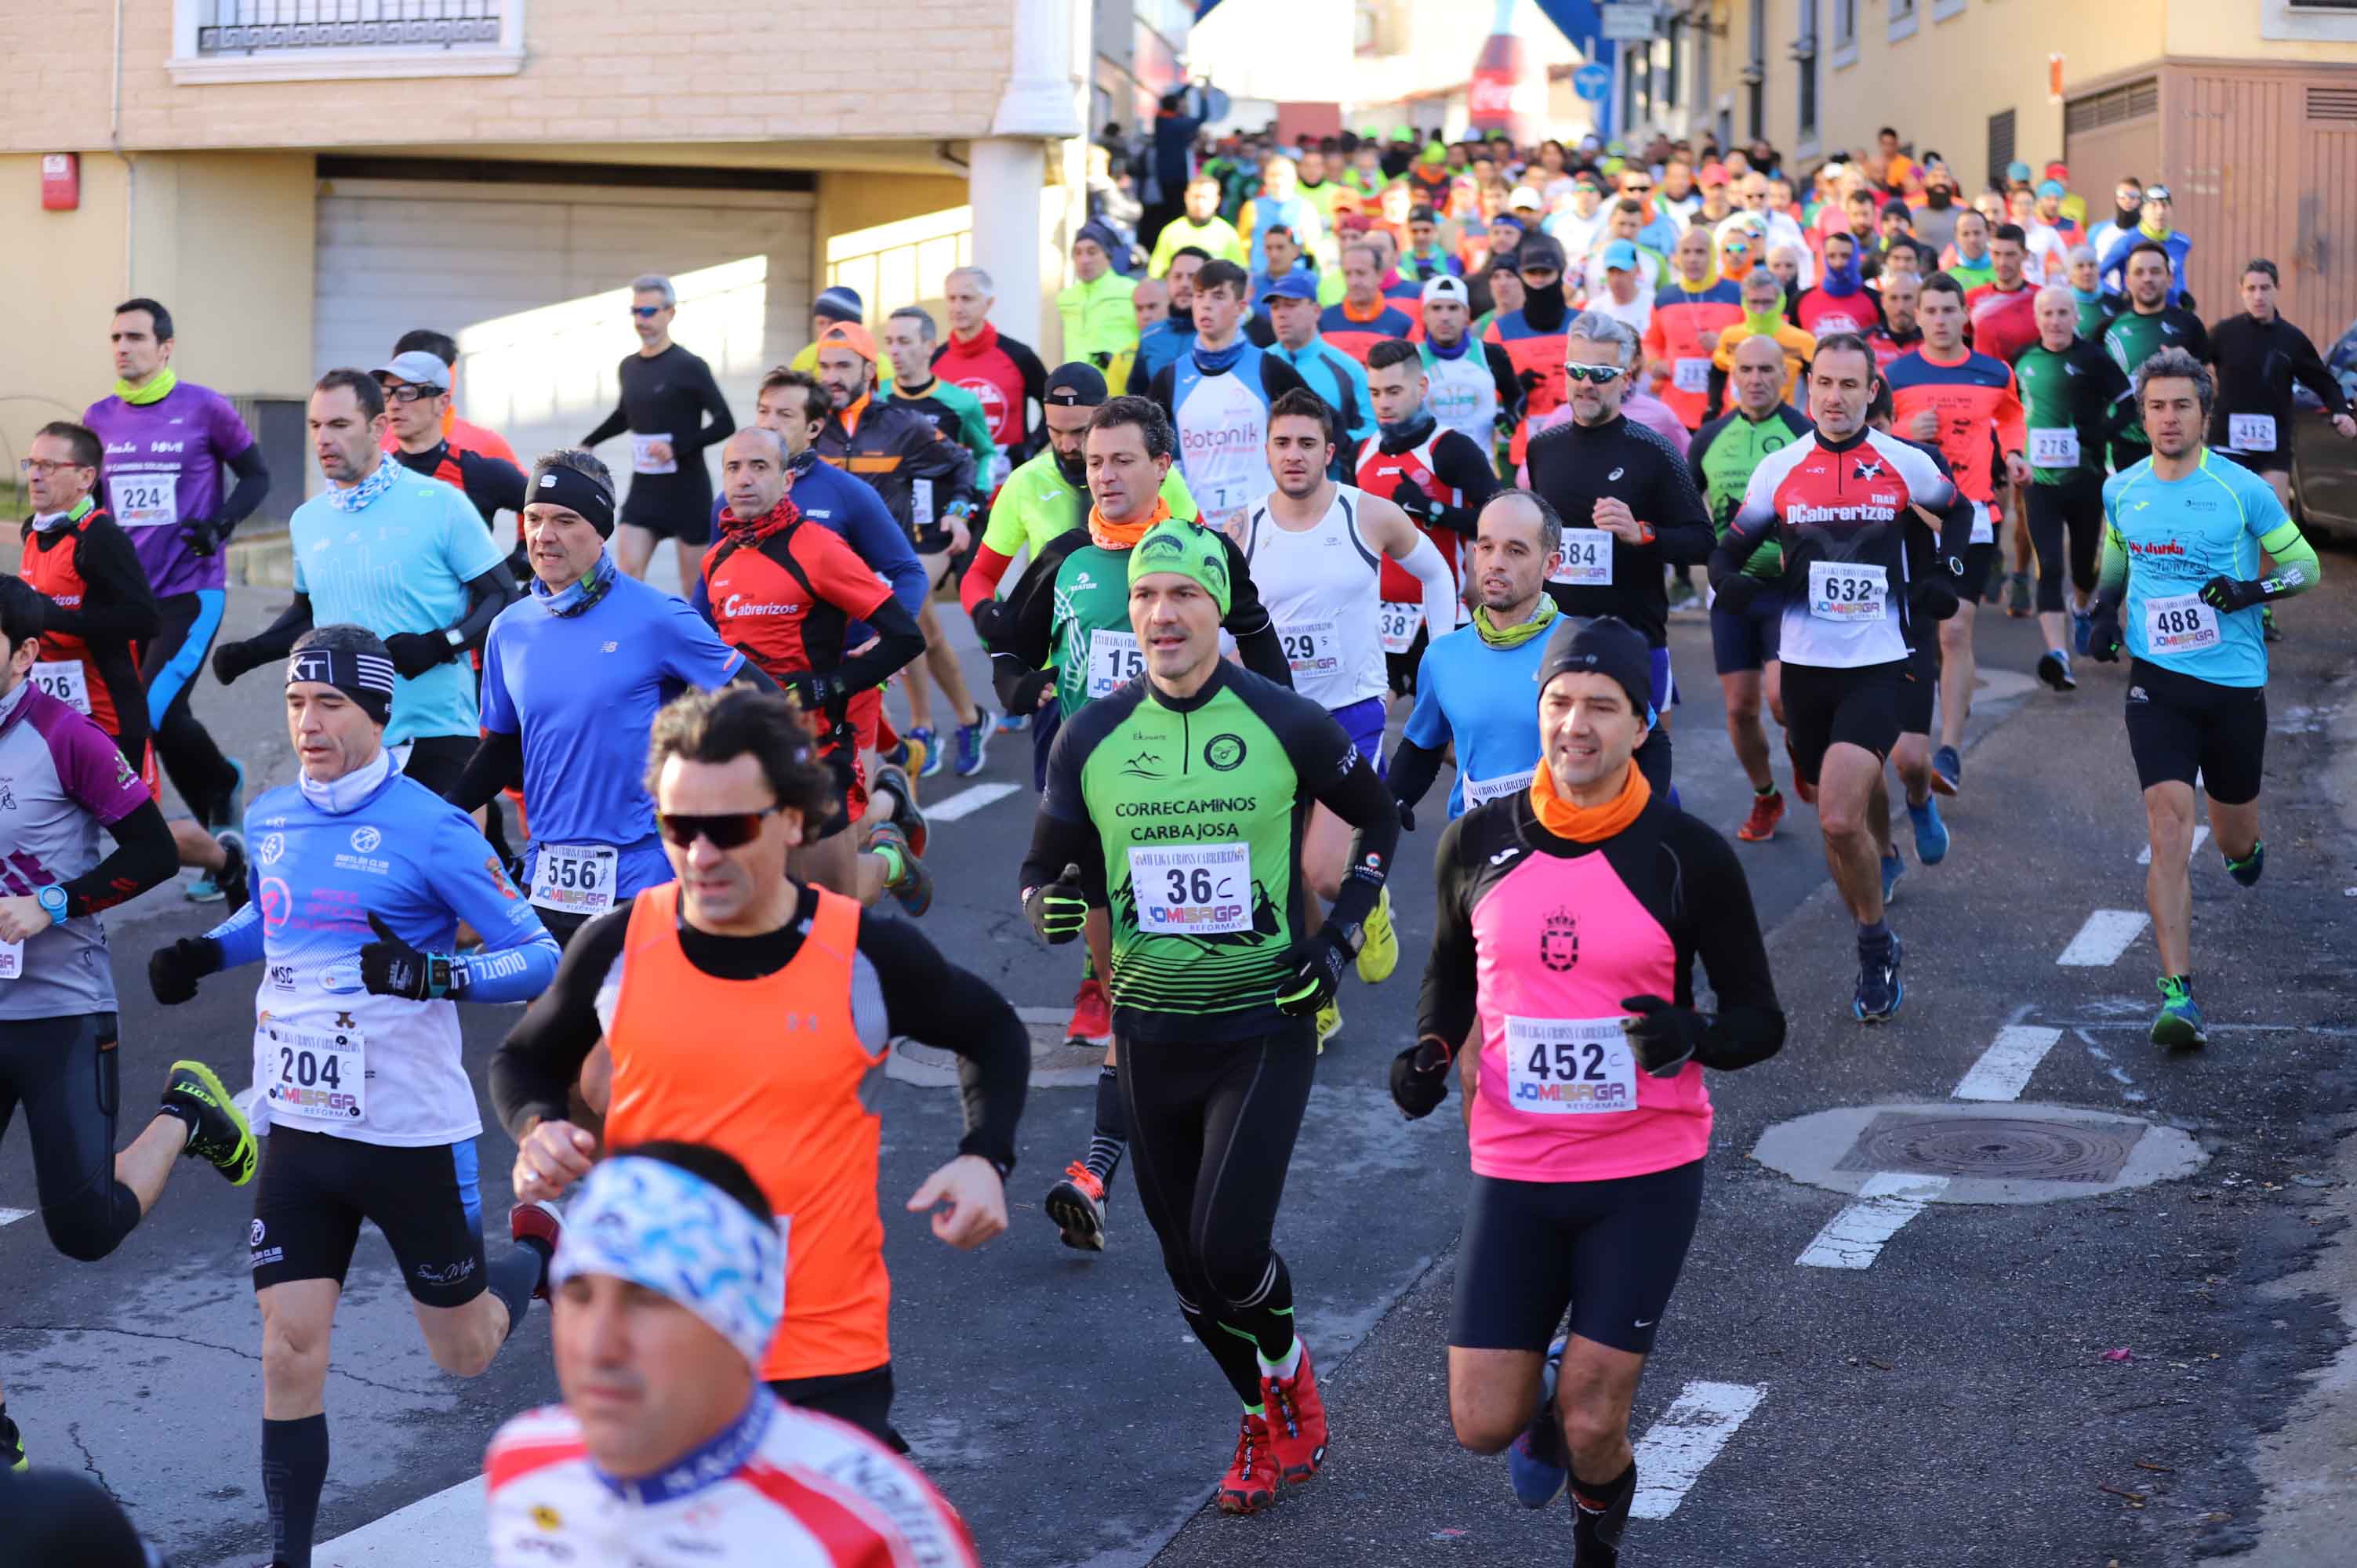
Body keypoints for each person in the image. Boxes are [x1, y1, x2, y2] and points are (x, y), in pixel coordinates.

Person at [495, 686, 1029, 1446]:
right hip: (656, 1347)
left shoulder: (862, 956)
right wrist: (538, 1127)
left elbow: (994, 1029)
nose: (701, 854)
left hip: (822, 1351)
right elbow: (524, 1058)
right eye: (679, 828)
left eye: (730, 826)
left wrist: (986, 1158)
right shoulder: (617, 946)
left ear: (789, 819)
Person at [146, 623, 564, 1568]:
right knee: (287, 1347)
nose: (309, 722)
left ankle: (537, 1246)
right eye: (296, 702)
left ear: (378, 710)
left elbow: (539, 953)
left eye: (330, 702)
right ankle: (289, 1556)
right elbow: (276, 911)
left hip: (410, 1129)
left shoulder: (434, 826)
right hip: (300, 1125)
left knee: (466, 1352)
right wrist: (207, 951)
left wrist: (430, 974)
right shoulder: (278, 816)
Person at [1019, 517, 1399, 1513]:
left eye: (1184, 594)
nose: (1162, 613)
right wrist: (1049, 904)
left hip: (1262, 1024)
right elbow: (1042, 866)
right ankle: (1260, 1403)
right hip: (1150, 1033)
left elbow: (1382, 813)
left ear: (1218, 608)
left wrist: (1344, 929)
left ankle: (1287, 1375)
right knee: (1188, 1271)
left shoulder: (1285, 719)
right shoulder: (1091, 734)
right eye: (1146, 597)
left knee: (1231, 1247)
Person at [1394, 613, 1784, 1568]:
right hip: (1518, 1163)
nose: (1576, 724)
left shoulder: (1685, 854)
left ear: (1642, 723)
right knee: (1483, 1422)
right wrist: (1433, 1049)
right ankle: (1543, 1405)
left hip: (1644, 1165)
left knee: (1598, 1417)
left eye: (1602, 707)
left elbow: (1758, 1021)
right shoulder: (1476, 842)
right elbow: (1451, 972)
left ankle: (1593, 1548)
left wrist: (1693, 1033)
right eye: (1559, 702)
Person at [985, 397, 1290, 1246]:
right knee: (1130, 993)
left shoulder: (1206, 552)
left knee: (1177, 989)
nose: (1105, 477)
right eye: (1092, 462)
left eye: (1122, 460)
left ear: (1164, 467)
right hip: (1095, 801)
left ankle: (1108, 1162)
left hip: (1199, 793)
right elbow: (1004, 635)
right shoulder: (1065, 557)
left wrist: (1285, 750)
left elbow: (1266, 656)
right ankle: (1123, 1158)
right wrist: (1022, 687)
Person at [0, 574, 252, 1475]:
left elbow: (148, 846)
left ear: (25, 654)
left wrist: (51, 902)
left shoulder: (64, 737)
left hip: (60, 1006)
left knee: (85, 1227)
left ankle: (188, 1111)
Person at [485, 1144, 982, 1567]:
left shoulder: (882, 1534)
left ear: (742, 1324)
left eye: (649, 1300)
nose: (597, 1347)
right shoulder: (524, 1462)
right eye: (578, 1294)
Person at [1709, 333, 1973, 1022]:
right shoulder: (1782, 470)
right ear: (1809, 389)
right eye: (1823, 384)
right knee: (1835, 827)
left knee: (1836, 812)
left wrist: (1944, 576)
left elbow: (1960, 511)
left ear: (1870, 391)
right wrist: (1738, 591)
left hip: (1879, 663)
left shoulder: (1902, 463)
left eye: (1848, 386)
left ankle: (1873, 943)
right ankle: (1877, 877)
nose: (1833, 397)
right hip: (1803, 669)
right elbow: (1729, 552)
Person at [2087, 347, 2321, 1047]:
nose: (2167, 418)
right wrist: (2103, 610)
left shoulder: (2240, 489)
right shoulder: (2122, 488)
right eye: (2155, 406)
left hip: (2233, 684)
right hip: (2157, 681)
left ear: (2204, 413)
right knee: (2167, 827)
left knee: (2230, 835)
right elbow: (2116, 558)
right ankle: (2177, 994)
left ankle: (2245, 852)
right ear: (2143, 414)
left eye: (2180, 405)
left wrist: (2253, 589)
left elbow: (2304, 566)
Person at [448, 450, 768, 949]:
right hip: (552, 870)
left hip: (645, 868)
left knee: (634, 1024)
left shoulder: (657, 616)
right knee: (550, 1023)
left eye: (564, 520)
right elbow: (505, 748)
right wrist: (442, 812)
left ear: (601, 530)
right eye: (533, 518)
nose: (543, 534)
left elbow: (761, 702)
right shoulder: (509, 628)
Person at [1242, 390, 1454, 1042]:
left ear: (1330, 452)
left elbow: (1439, 575)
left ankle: (1371, 899)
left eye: (1308, 444)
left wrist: (1437, 667)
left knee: (1323, 871)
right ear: (1268, 450)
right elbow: (1227, 625)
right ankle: (1318, 988)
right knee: (1282, 869)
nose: (1295, 455)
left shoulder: (1367, 515)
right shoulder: (1243, 527)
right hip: (1274, 718)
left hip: (1350, 715)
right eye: (1283, 443)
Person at [210, 371, 518, 796]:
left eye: (339, 425)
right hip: (343, 736)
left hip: (433, 731)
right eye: (316, 426)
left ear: (377, 428)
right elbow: (310, 615)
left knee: (442, 860)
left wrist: (440, 644)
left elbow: (503, 595)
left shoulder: (439, 503)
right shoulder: (308, 520)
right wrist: (252, 651)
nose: (323, 439)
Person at [697, 428, 932, 913]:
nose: (744, 480)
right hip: (745, 757)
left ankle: (890, 861)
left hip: (818, 750)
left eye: (759, 467)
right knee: (767, 902)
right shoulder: (715, 561)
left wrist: (827, 685)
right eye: (734, 468)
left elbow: (906, 638)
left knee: (831, 905)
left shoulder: (819, 548)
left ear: (786, 482)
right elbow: (698, 651)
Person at [85, 297, 269, 885]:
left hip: (190, 591)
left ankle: (209, 820)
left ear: (165, 347)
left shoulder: (204, 408)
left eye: (135, 337)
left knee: (154, 712)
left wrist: (220, 525)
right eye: (116, 337)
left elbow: (257, 474)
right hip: (126, 598)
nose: (122, 348)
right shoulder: (99, 418)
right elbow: (94, 506)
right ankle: (223, 798)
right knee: (166, 714)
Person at [1524, 313, 1716, 797]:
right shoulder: (1543, 448)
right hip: (1559, 640)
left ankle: (1665, 867)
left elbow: (1701, 539)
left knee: (1645, 784)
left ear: (1626, 379)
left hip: (1634, 638)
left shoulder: (1652, 450)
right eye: (1577, 371)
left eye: (1603, 374)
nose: (1587, 384)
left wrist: (1641, 533)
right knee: (1567, 778)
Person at [810, 322, 993, 779]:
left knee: (908, 635)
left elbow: (965, 461)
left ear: (869, 370)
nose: (832, 376)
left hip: (891, 561)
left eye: (843, 366)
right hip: (829, 568)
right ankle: (964, 720)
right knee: (923, 637)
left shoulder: (901, 424)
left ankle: (922, 731)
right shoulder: (814, 427)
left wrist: (956, 511)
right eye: (825, 366)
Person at [1885, 273, 2028, 797]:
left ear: (1965, 315)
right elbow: (1874, 439)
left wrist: (2014, 454)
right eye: (1932, 310)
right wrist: (1902, 434)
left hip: (1975, 516)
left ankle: (1948, 752)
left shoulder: (1994, 372)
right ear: (1917, 315)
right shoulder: (1897, 375)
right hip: (1914, 517)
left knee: (1955, 631)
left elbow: (2012, 418)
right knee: (1919, 635)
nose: (1942, 320)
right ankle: (1937, 708)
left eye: (1951, 310)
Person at [1690, 335, 1811, 841]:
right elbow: (1685, 510)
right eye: (1747, 370)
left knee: (1782, 700)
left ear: (1785, 375)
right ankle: (1767, 796)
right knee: (1740, 708)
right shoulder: (1709, 438)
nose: (1757, 379)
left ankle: (1804, 748)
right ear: (1732, 375)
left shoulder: (1805, 433)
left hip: (1791, 591)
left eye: (1767, 369)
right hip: (1733, 592)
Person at [1389, 490, 1567, 826]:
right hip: (1475, 848)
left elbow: (1648, 743)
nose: (1496, 562)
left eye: (1515, 551)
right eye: (1486, 547)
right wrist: (1390, 804)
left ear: (1551, 564)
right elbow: (1423, 746)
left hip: (1562, 849)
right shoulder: (1443, 656)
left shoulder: (1583, 646)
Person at [1357, 336, 1502, 697]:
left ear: (1421, 387)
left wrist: (1434, 510)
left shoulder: (1451, 449)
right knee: (1362, 727)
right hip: (1378, 618)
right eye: (1375, 393)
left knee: (1448, 743)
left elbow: (1499, 521)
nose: (1384, 403)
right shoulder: (1364, 452)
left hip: (1437, 617)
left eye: (1393, 391)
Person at [580, 274, 736, 586]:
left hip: (687, 491)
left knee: (696, 588)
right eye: (636, 311)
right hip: (646, 491)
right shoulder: (629, 366)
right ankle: (629, 635)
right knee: (626, 574)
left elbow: (725, 423)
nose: (642, 320)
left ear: (670, 313)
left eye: (650, 312)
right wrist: (588, 443)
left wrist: (677, 447)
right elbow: (626, 415)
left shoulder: (689, 365)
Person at [2014, 285, 2134, 690]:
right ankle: (2059, 656)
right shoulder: (2022, 360)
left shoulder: (2093, 359)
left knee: (2084, 568)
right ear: (2037, 317)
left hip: (2085, 481)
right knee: (2049, 565)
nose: (2055, 320)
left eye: (2064, 312)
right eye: (2048, 313)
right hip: (2039, 483)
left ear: (2075, 317)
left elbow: (2130, 404)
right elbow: (2007, 412)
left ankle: (2082, 609)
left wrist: (2101, 432)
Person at [1144, 260, 1311, 538]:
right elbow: (1143, 448)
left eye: (1218, 296)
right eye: (1199, 296)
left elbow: (1323, 428)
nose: (1205, 305)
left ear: (1241, 307)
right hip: (1197, 530)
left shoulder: (1269, 368)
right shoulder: (1171, 377)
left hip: (1265, 527)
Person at [2205, 257, 2357, 513]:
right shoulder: (2224, 334)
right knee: (2227, 521)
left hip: (2272, 444)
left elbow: (2324, 382)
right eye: (2251, 289)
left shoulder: (2292, 339)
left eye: (2265, 288)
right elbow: (2192, 364)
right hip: (2227, 442)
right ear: (2242, 292)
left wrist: (2341, 410)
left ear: (2277, 290)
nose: (2258, 296)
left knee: (2274, 522)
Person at [376, 350, 528, 544]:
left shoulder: (478, 472)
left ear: (442, 402)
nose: (394, 405)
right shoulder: (375, 477)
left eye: (407, 394)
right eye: (387, 395)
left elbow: (554, 504)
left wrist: (521, 561)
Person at [932, 266, 1051, 488]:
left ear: (988, 303)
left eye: (967, 298)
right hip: (954, 488)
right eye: (952, 298)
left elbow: (1053, 406)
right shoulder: (934, 360)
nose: (957, 307)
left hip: (1010, 486)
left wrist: (1029, 447)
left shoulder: (1019, 356)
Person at [2102, 243, 2210, 473]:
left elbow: (2214, 385)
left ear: (2170, 278)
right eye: (2139, 272)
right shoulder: (2108, 330)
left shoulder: (2189, 325)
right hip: (2125, 447)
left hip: (2180, 447)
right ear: (2128, 280)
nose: (2148, 279)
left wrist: (2191, 365)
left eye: (2155, 271)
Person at [1486, 234, 1578, 468]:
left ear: (1559, 273)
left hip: (1579, 439)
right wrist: (1514, 386)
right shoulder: (1500, 329)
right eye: (1531, 273)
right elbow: (1485, 390)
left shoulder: (1582, 323)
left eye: (1545, 273)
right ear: (1522, 276)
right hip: (1524, 449)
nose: (1538, 281)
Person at [881, 307, 998, 489]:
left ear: (930, 347)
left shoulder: (963, 402)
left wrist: (980, 494)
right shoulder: (874, 397)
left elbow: (987, 453)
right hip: (887, 512)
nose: (894, 350)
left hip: (944, 514)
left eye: (904, 342)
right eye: (889, 342)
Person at [1266, 273, 1378, 458]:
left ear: (1316, 311)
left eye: (1291, 305)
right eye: (1275, 307)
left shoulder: (1347, 368)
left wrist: (1340, 442)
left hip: (1331, 480)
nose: (1281, 314)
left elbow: (1374, 427)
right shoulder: (1259, 362)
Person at [1646, 228, 1746, 434]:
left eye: (1700, 252)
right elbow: (1651, 343)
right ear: (1677, 257)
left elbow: (1756, 342)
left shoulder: (1737, 293)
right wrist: (1654, 363)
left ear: (1713, 256)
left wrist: (1724, 345)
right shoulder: (1665, 297)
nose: (1692, 259)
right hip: (1676, 408)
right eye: (1687, 252)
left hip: (1727, 406)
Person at [380, 327, 521, 470]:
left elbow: (529, 491)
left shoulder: (485, 445)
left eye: (412, 389)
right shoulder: (372, 442)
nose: (395, 404)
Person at [1415, 275, 1521, 452]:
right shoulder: (1412, 359)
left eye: (1453, 308)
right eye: (1436, 308)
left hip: (1481, 469)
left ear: (1467, 314)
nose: (1445, 317)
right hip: (1427, 471)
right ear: (1424, 315)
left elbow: (1516, 397)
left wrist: (1510, 418)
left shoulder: (1490, 354)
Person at [1709, 267, 1815, 417]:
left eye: (1767, 302)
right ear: (1744, 302)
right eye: (1754, 302)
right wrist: (1712, 409)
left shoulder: (1803, 342)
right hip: (1739, 422)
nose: (1760, 310)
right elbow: (1717, 374)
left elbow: (1818, 386)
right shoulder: (1730, 337)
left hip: (1786, 423)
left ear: (1780, 301)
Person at [1316, 243, 1421, 368]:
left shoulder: (1403, 325)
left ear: (1380, 275)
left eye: (1361, 273)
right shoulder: (1323, 321)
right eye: (1348, 274)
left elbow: (1414, 373)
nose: (1354, 281)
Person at [1059, 221, 1142, 373]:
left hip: (1120, 388)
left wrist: (1119, 361)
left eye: (1092, 252)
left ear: (1108, 256)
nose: (1084, 260)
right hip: (1076, 389)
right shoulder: (1065, 298)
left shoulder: (1133, 290)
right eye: (1078, 253)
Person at [2098, 184, 2195, 307]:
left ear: (2171, 210)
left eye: (2165, 206)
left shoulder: (2181, 243)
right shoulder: (2126, 241)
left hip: (2170, 314)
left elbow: (2178, 274)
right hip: (2137, 313)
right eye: (2153, 206)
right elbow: (2098, 276)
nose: (2160, 212)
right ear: (2142, 211)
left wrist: (2182, 295)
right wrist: (2118, 296)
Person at [1963, 224, 2042, 368]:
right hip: (1986, 385)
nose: (2002, 262)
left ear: (2025, 255)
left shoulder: (2042, 299)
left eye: (2010, 254)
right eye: (1996, 254)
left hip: (2026, 385)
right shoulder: (1972, 298)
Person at [1133, 249, 1207, 392]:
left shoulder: (1224, 335)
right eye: (1177, 277)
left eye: (1193, 277)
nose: (1184, 284)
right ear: (1167, 281)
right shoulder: (1150, 336)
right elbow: (1137, 395)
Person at [1792, 231, 1883, 339]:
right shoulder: (1801, 299)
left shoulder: (1876, 300)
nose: (1838, 263)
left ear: (1856, 258)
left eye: (1845, 256)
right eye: (1831, 256)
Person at [1151, 176, 1248, 277]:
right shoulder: (1171, 232)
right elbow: (1156, 273)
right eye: (1196, 197)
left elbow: (1239, 274)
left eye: (1205, 197)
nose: (1200, 203)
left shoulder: (1228, 234)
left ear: (1217, 201)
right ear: (1186, 197)